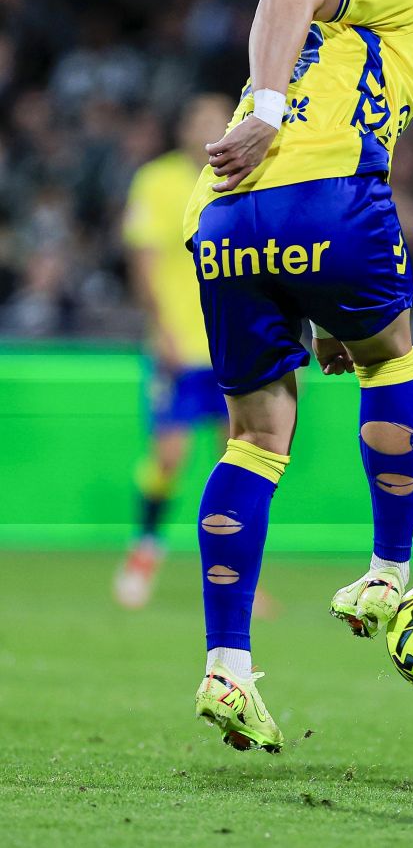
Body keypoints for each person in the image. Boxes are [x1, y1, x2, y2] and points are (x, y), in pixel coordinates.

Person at [185, 0, 413, 751]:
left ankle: (227, 667)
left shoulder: (368, 44)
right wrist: (269, 112)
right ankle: (389, 575)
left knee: (255, 437)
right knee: (390, 363)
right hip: (322, 190)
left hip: (220, 216)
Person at [115, 95, 232, 609]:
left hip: (233, 344)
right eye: (198, 118)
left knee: (238, 462)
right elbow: (142, 261)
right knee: (170, 457)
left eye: (217, 119)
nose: (207, 128)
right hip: (180, 345)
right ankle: (144, 552)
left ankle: (235, 573)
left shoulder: (249, 173)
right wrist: (160, 330)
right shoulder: (157, 180)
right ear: (183, 127)